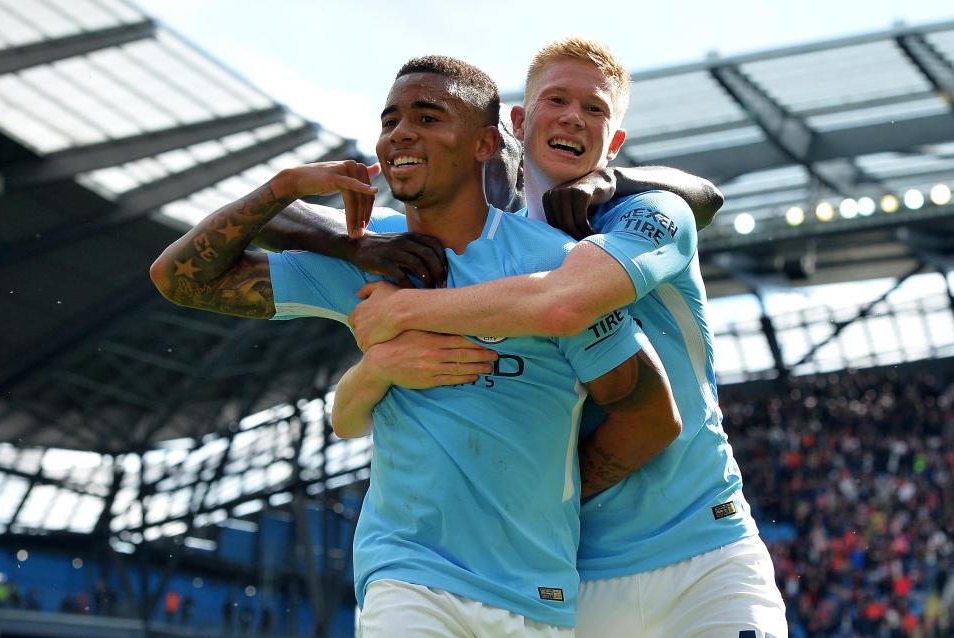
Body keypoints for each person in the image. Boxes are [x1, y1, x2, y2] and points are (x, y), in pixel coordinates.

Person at [150, 55, 680, 636]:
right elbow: (180, 278)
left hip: (534, 592)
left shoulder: (551, 265)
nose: (400, 132)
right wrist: (282, 189)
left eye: (428, 117)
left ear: (484, 144)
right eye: (390, 120)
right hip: (407, 577)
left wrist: (544, 501)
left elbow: (647, 410)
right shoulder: (364, 259)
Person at [332, 38, 788, 637]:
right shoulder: (484, 241)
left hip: (708, 554)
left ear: (614, 140)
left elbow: (564, 302)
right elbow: (283, 240)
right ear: (518, 122)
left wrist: (406, 310)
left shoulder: (649, 211)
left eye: (595, 109)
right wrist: (318, 212)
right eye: (556, 99)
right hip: (576, 581)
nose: (574, 116)